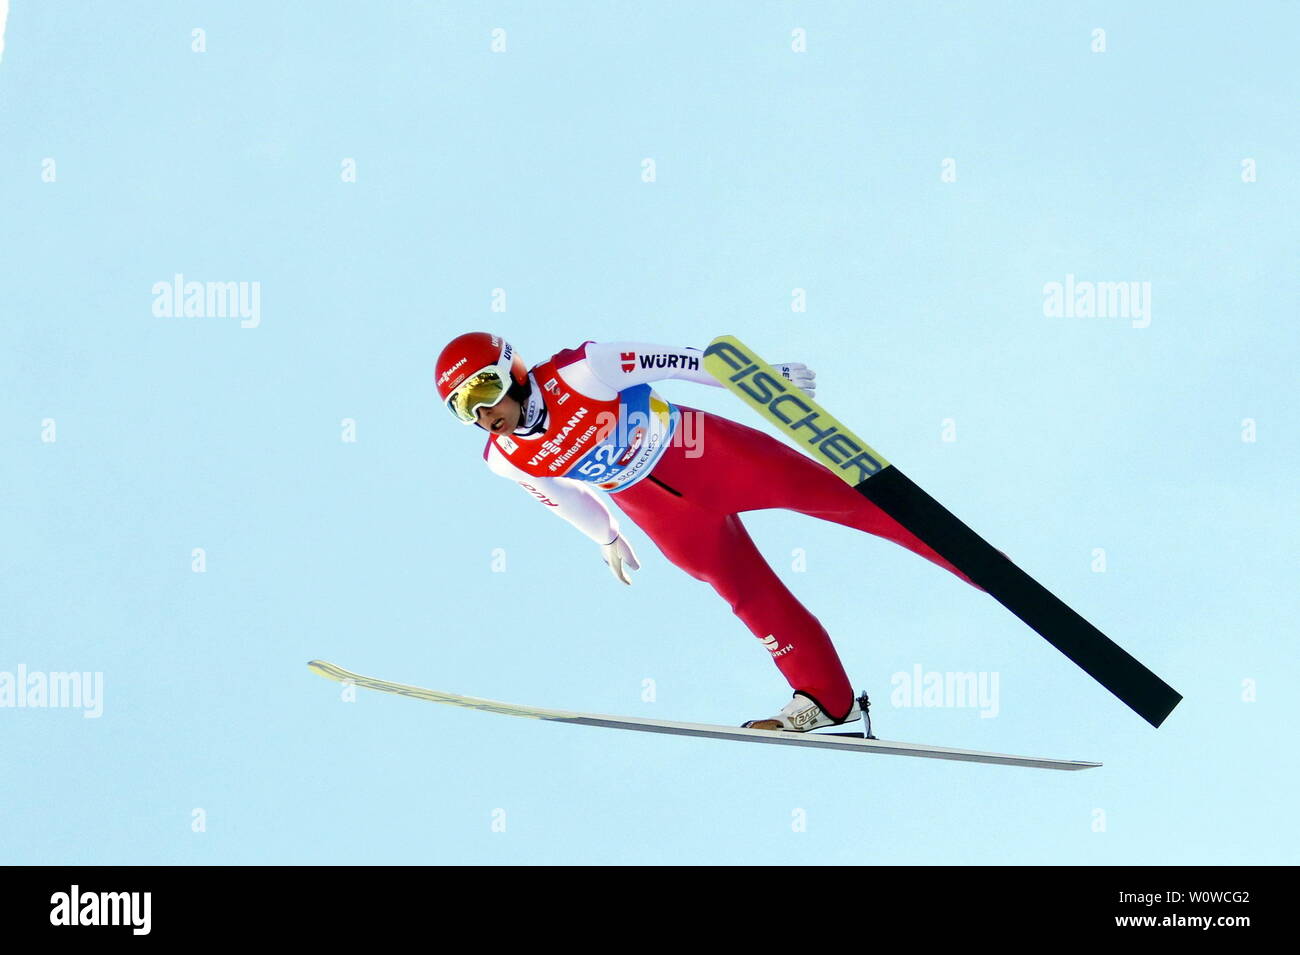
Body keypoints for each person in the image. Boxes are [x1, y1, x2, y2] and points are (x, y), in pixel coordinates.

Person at [435, 332, 980, 732]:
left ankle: (973, 561)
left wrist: (760, 383)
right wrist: (605, 535)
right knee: (747, 595)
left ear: (514, 369)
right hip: (661, 513)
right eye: (464, 408)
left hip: (706, 452)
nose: (482, 412)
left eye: (482, 390)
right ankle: (827, 699)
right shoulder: (504, 458)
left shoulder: (585, 368)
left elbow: (682, 361)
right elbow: (561, 496)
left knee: (842, 501)